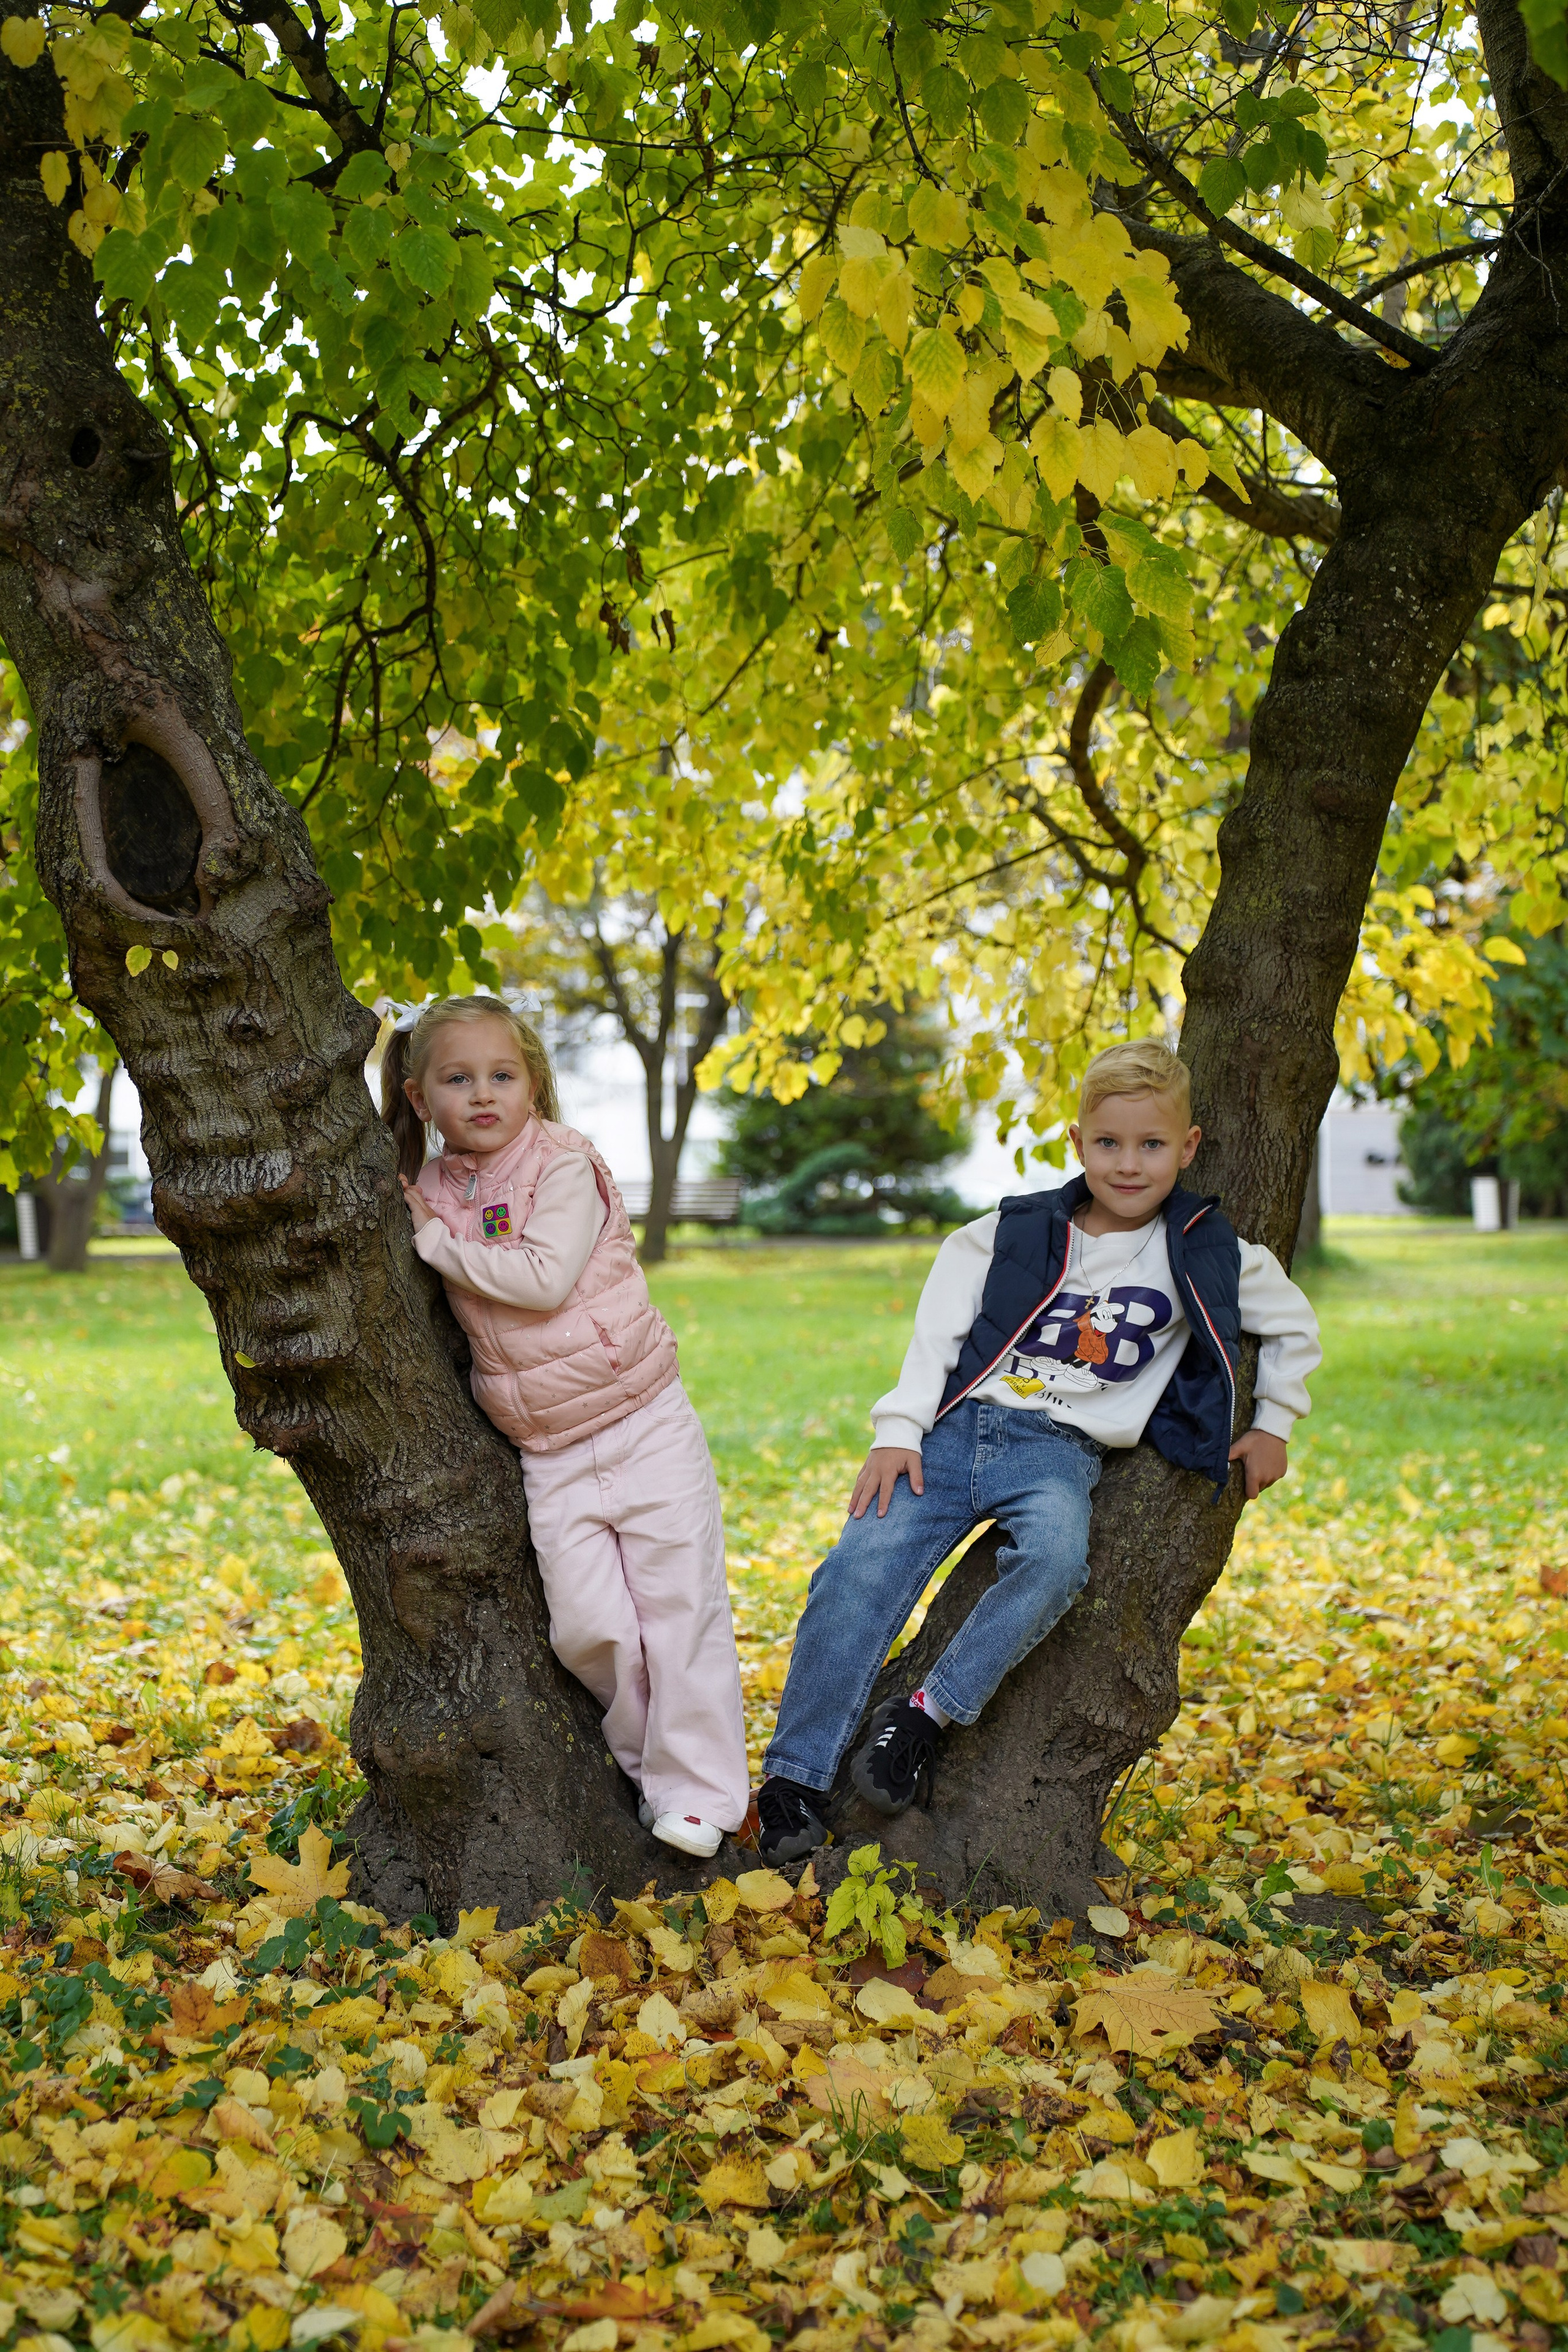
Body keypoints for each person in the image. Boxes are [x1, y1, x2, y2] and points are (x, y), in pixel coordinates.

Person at [754, 1038, 1322, 1866]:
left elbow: (1295, 1325)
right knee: (857, 1567)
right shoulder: (1014, 1231)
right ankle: (792, 1783)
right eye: (1109, 1144)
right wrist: (898, 1430)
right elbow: (938, 1329)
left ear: (1189, 1147)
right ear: (1079, 1141)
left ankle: (920, 1718)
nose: (1129, 1165)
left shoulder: (1205, 1248)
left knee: (1057, 1559)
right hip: (956, 1433)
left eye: (1152, 1145)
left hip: (1060, 1452)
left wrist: (1274, 1421)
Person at [383, 994, 748, 1860]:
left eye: (501, 1075)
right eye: (457, 1078)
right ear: (418, 1098)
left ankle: (699, 1797)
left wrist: (434, 1244)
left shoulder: (563, 1164)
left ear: (534, 1085)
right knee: (590, 1628)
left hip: (641, 1418)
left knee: (679, 1610)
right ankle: (645, 1768)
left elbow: (545, 1280)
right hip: (547, 1448)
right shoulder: (426, 1186)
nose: (482, 1094)